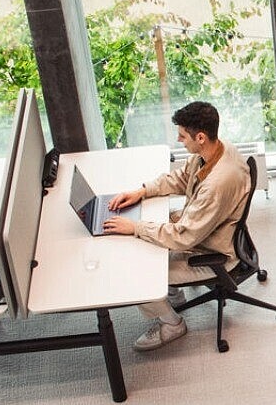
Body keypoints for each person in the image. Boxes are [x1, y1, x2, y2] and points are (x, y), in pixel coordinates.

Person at [104, 100, 251, 351]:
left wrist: (136, 228)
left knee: (139, 272)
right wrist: (141, 192)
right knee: (146, 232)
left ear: (201, 137)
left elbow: (184, 237)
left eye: (183, 136)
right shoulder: (215, 151)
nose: (179, 140)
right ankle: (172, 295)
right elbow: (181, 179)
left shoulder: (218, 183)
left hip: (210, 252)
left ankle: (172, 324)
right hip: (203, 228)